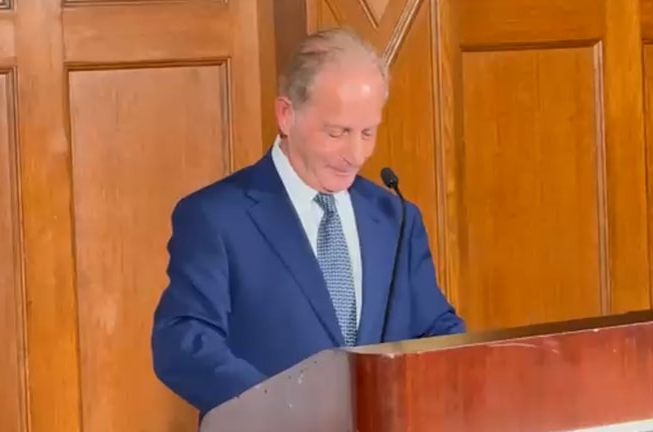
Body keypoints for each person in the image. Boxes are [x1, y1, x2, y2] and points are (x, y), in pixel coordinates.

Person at [150, 27, 465, 417]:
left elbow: (434, 329)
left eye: (368, 133)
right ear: (287, 115)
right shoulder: (215, 217)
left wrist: (476, 369)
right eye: (337, 132)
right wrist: (277, 409)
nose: (356, 154)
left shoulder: (395, 217)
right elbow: (184, 342)